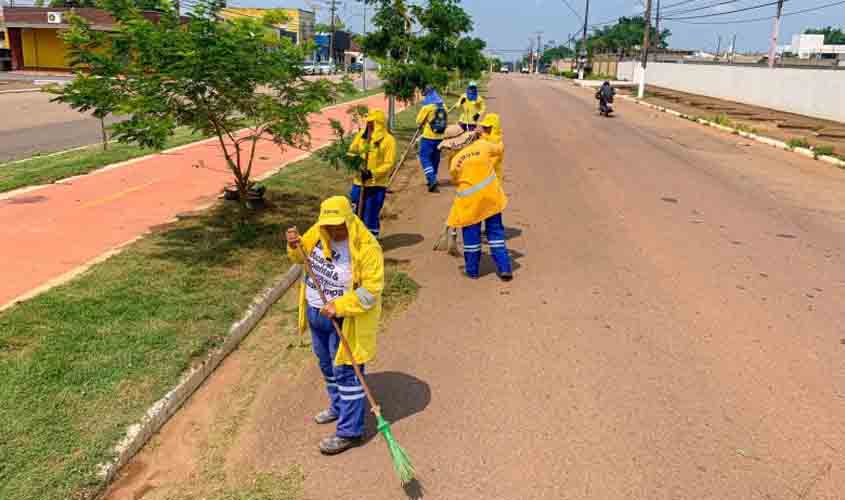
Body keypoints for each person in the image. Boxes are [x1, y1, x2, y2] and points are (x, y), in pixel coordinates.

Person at [286, 196, 385, 455]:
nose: (333, 229)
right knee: (327, 366)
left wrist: (340, 306)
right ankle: (338, 406)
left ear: (349, 220)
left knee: (347, 374)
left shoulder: (367, 247)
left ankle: (350, 432)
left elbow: (371, 291)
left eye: (338, 224)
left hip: (345, 320)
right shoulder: (318, 233)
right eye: (327, 224)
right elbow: (300, 258)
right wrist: (294, 246)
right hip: (316, 313)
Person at [441, 125, 513, 281]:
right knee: (496, 234)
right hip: (491, 200)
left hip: (469, 204)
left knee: (471, 237)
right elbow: (500, 148)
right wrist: (486, 136)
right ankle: (505, 268)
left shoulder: (454, 161)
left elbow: (455, 179)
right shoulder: (483, 145)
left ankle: (472, 270)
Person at [347, 108, 396, 239]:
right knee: (355, 212)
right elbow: (351, 151)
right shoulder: (361, 136)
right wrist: (356, 164)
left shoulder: (388, 140)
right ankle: (355, 240)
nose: (368, 125)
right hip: (359, 182)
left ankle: (371, 243)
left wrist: (372, 173)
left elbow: (388, 163)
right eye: (368, 122)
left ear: (378, 123)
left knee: (371, 214)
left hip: (376, 185)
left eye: (372, 123)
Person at [415, 85, 448, 192]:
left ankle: (432, 179)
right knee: (435, 158)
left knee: (424, 157)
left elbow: (418, 121)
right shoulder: (443, 106)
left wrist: (424, 122)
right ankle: (433, 178)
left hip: (428, 137)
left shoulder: (427, 107)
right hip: (440, 137)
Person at [478, 113, 504, 183]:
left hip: (493, 180)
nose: (483, 128)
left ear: (493, 128)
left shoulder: (496, 143)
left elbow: (491, 162)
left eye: (486, 127)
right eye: (483, 127)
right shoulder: (486, 138)